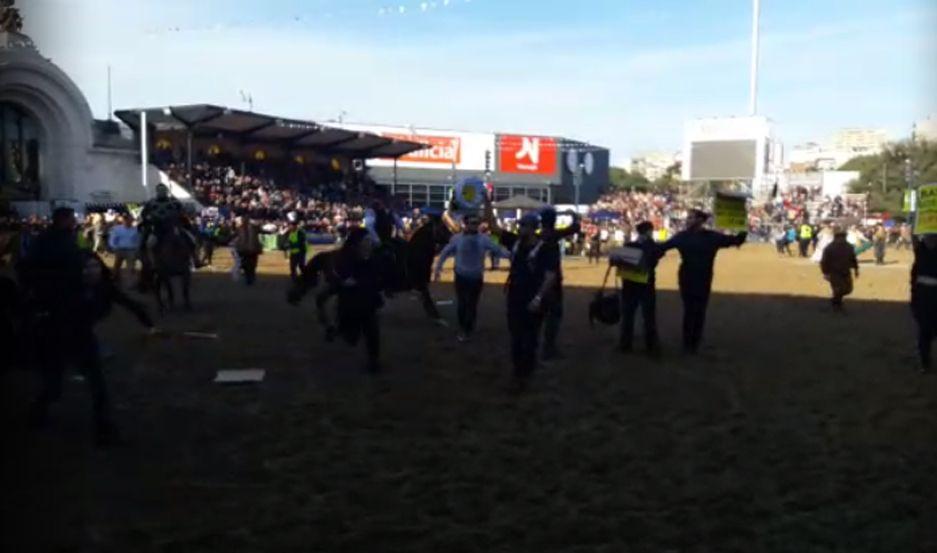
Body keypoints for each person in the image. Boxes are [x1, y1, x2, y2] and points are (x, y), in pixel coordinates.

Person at [20, 208, 154, 446]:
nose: (92, 272)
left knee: (95, 383)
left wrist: (143, 317)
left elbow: (119, 298)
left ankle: (103, 428)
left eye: (95, 269)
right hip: (56, 332)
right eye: (88, 270)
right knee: (54, 384)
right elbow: (33, 276)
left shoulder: (75, 257)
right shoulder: (58, 262)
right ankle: (38, 412)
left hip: (79, 334)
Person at [661, 209, 747, 354]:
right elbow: (736, 240)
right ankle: (692, 342)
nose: (687, 220)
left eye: (691, 218)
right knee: (695, 310)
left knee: (695, 310)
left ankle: (690, 343)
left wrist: (741, 226)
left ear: (700, 220)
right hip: (698, 277)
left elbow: (736, 240)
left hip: (691, 277)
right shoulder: (710, 237)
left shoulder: (684, 236)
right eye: (688, 218)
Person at [434, 213, 511, 342]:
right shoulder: (457, 239)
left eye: (476, 223)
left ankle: (468, 328)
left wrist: (514, 255)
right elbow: (445, 252)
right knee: (463, 304)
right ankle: (464, 328)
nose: (474, 225)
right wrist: (438, 268)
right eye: (471, 223)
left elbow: (498, 250)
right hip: (461, 277)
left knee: (472, 304)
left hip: (476, 277)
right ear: (465, 224)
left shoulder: (484, 239)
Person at [506, 213, 559, 393]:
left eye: (524, 226)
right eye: (520, 225)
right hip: (515, 298)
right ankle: (519, 371)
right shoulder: (516, 243)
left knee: (530, 338)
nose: (520, 228)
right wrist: (487, 201)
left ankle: (524, 373)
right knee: (516, 338)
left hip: (533, 300)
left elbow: (550, 276)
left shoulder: (545, 248)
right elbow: (494, 227)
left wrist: (538, 298)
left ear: (532, 228)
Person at [322, 228, 385, 373]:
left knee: (372, 332)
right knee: (351, 336)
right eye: (366, 241)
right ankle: (337, 330)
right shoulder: (345, 258)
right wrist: (343, 282)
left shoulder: (373, 259)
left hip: (368, 303)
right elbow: (336, 277)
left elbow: (377, 279)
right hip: (350, 304)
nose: (369, 243)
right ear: (357, 243)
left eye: (370, 241)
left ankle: (373, 361)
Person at [615, 221, 664, 355]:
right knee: (648, 316)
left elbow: (617, 261)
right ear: (649, 231)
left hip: (629, 284)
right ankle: (651, 345)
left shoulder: (628, 245)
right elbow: (658, 256)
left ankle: (625, 344)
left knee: (628, 315)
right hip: (646, 284)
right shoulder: (652, 246)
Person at [538, 207, 580, 361]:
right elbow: (575, 227)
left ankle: (537, 346)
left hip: (538, 279)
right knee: (554, 315)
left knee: (538, 315)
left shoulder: (538, 236)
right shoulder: (554, 235)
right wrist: (573, 215)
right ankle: (548, 349)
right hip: (553, 281)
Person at [910, 234, 937, 373]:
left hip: (924, 295)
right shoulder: (920, 251)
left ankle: (924, 360)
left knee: (926, 329)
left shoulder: (920, 251)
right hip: (924, 296)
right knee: (925, 330)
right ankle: (924, 360)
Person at [820, 229, 859, 311]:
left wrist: (856, 269)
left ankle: (836, 300)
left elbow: (853, 259)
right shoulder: (831, 247)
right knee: (840, 288)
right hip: (836, 271)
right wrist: (825, 272)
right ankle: (837, 305)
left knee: (846, 289)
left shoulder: (832, 247)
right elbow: (824, 261)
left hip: (842, 271)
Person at [108, 214, 140, 287]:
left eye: (131, 220)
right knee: (117, 265)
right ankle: (115, 279)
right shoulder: (117, 229)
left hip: (131, 250)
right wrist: (114, 247)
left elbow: (138, 240)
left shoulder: (135, 230)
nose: (129, 221)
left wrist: (136, 249)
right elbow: (112, 239)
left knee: (131, 267)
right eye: (128, 219)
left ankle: (130, 283)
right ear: (124, 220)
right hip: (119, 249)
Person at [233, 217, 262, 286]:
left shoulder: (239, 228)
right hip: (254, 249)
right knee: (253, 263)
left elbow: (232, 236)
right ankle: (252, 275)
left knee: (245, 263)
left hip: (243, 249)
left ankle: (248, 277)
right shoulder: (255, 227)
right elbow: (263, 231)